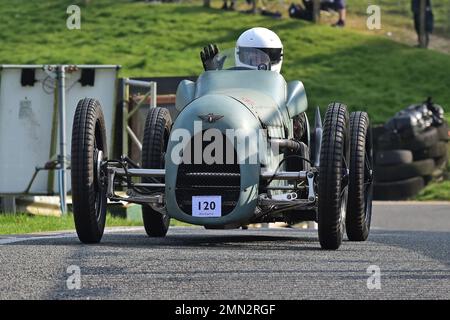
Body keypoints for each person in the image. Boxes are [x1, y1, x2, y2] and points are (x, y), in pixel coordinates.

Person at [200, 27, 284, 73]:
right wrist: (213, 76)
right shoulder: (231, 85)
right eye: (253, 58)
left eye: (264, 58)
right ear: (240, 55)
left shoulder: (285, 92)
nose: (259, 63)